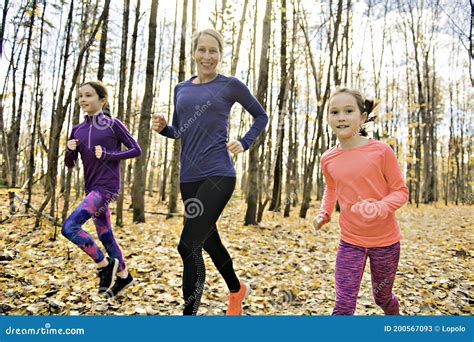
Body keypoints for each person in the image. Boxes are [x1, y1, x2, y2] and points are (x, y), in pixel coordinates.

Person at [152, 29, 268, 315]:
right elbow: (179, 131)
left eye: (213, 50)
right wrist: (164, 128)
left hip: (219, 173)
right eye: (201, 50)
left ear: (220, 53)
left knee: (188, 245)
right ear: (194, 52)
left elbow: (261, 115)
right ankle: (236, 289)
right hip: (188, 177)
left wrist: (244, 141)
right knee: (207, 240)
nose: (207, 56)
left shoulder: (230, 85)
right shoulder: (181, 88)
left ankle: (189, 317)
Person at [313, 87, 408, 315]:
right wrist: (324, 213)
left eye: (348, 111)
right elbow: (332, 187)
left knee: (382, 297)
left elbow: (401, 191)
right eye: (334, 112)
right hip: (350, 241)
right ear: (328, 118)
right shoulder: (328, 158)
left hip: (385, 241)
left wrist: (380, 207)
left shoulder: (381, 151)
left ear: (362, 117)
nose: (341, 117)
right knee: (344, 304)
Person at [63, 81, 141, 298]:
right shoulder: (77, 129)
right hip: (91, 188)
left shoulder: (112, 124)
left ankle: (104, 266)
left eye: (88, 95)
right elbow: (70, 164)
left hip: (106, 187)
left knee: (69, 227)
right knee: (105, 234)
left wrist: (109, 154)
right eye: (80, 96)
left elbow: (136, 149)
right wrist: (69, 151)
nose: (83, 100)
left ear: (102, 100)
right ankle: (124, 277)